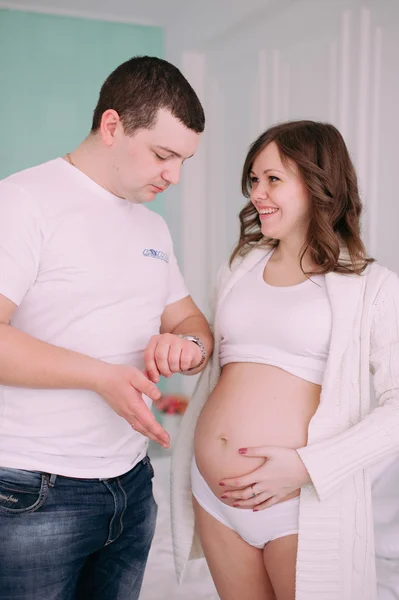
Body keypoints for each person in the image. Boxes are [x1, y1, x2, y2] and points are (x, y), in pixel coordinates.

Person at [0, 55, 213, 600]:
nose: (175, 176)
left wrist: (184, 345)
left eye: (184, 160)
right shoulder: (23, 202)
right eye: (164, 155)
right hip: (31, 491)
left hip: (131, 486)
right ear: (113, 126)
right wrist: (102, 376)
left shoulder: (152, 227)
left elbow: (193, 324)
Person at [171, 120, 399, 600]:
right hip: (216, 498)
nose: (258, 193)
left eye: (273, 178)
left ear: (319, 183)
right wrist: (190, 349)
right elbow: (225, 362)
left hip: (300, 502)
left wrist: (307, 467)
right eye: (253, 179)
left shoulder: (373, 286)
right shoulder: (238, 267)